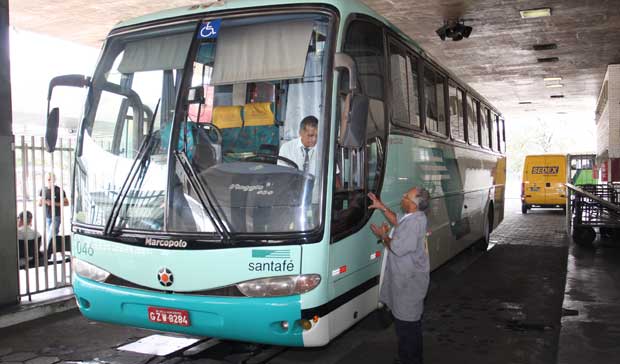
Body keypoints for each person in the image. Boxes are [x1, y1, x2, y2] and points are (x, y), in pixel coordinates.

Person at [368, 187, 431, 364]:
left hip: (408, 285)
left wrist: (383, 236)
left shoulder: (414, 223)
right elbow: (397, 221)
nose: (402, 197)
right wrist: (382, 207)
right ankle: (409, 358)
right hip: (407, 283)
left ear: (413, 204)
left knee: (407, 328)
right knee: (409, 327)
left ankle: (410, 360)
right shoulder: (414, 217)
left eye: (406, 196)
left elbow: (397, 248)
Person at [38, 172, 69, 249]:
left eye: (51, 179)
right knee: (53, 235)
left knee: (51, 234)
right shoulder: (43, 190)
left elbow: (66, 203)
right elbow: (39, 203)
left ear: (54, 180)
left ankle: (46, 251)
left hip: (56, 216)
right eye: (48, 179)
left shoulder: (59, 190)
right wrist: (45, 202)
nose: (49, 181)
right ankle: (56, 250)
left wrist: (53, 203)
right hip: (47, 216)